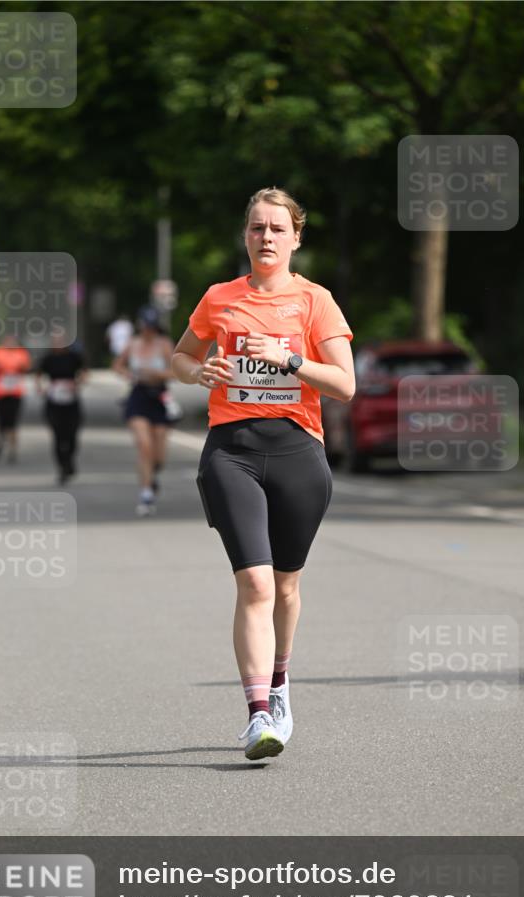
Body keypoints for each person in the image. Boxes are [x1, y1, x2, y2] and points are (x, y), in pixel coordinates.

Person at [172, 187, 355, 760]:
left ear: (296, 237)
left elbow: (345, 385)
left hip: (298, 451)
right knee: (253, 582)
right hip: (233, 451)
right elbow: (179, 357)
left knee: (285, 585)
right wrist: (200, 371)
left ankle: (279, 682)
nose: (267, 237)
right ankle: (256, 716)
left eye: (277, 228)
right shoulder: (219, 298)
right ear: (245, 235)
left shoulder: (315, 301)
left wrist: (291, 360)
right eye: (257, 228)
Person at [113, 306, 175, 516]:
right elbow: (118, 365)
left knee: (159, 455)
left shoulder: (164, 344)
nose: (148, 331)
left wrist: (158, 374)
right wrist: (129, 375)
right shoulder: (133, 343)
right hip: (138, 396)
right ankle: (146, 493)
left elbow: (176, 371)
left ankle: (152, 475)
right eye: (145, 327)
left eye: (152, 327)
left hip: (159, 397)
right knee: (144, 445)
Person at [36, 329, 86, 484]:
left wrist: (77, 384)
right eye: (55, 340)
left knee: (71, 435)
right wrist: (41, 388)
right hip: (54, 401)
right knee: (57, 435)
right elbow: (38, 375)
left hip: (71, 402)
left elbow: (84, 372)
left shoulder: (73, 357)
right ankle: (62, 467)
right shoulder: (48, 358)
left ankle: (70, 460)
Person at [0, 333, 32, 462]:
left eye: (12, 340)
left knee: (13, 423)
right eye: (7, 340)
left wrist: (19, 367)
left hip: (15, 392)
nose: (10, 343)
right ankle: (0, 441)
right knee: (2, 422)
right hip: (1, 392)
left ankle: (12, 450)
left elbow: (27, 367)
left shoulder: (21, 353)